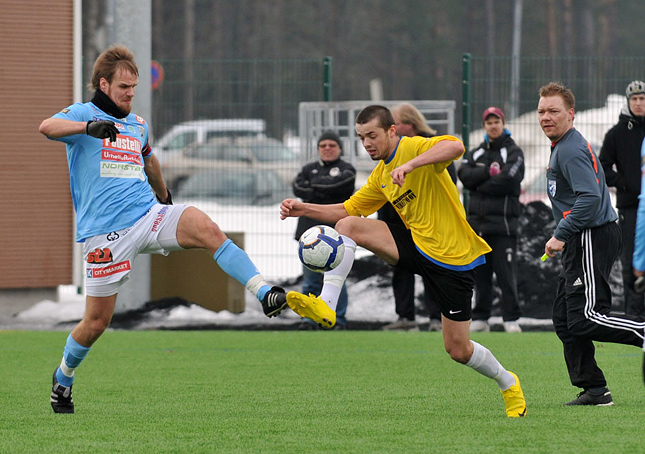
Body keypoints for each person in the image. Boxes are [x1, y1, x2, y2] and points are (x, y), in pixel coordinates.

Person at [39, 45, 289, 414]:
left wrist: (165, 196)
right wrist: (87, 128)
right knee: (95, 323)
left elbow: (148, 159)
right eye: (124, 86)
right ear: (104, 84)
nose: (130, 93)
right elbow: (47, 127)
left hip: (148, 214)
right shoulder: (83, 114)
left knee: (206, 227)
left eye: (134, 87)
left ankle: (263, 292)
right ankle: (63, 378)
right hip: (106, 234)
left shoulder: (137, 124)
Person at [281, 105, 527, 418]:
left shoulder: (412, 147)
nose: (367, 143)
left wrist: (411, 165)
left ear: (393, 131)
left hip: (452, 258)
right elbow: (347, 210)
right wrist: (304, 209)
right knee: (348, 226)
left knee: (458, 349)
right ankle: (327, 304)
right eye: (361, 137)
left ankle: (508, 382)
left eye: (373, 135)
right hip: (414, 247)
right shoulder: (381, 174)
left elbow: (456, 146)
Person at [538, 82, 645, 406]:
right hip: (583, 237)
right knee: (564, 318)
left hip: (590, 236)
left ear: (570, 114)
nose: (545, 117)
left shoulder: (569, 149)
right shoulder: (563, 145)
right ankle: (595, 389)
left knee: (585, 317)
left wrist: (561, 233)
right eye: (542, 111)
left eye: (553, 111)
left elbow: (589, 198)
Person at [380, 103, 449, 332]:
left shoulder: (431, 144)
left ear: (409, 124)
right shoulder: (389, 149)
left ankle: (435, 318)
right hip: (397, 222)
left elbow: (451, 170)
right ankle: (405, 316)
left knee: (432, 269)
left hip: (429, 224)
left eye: (396, 124)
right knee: (401, 270)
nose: (393, 129)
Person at [458, 107, 524, 333]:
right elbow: (464, 175)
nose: (493, 126)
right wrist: (488, 173)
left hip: (504, 227)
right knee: (480, 275)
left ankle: (511, 319)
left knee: (506, 275)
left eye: (496, 122)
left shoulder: (514, 152)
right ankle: (481, 318)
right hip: (477, 227)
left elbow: (509, 179)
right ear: (484, 126)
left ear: (503, 123)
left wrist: (479, 184)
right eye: (489, 123)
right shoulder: (476, 152)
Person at [292, 131, 356, 329]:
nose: (327, 148)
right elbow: (297, 187)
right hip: (309, 234)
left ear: (340, 148)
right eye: (323, 145)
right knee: (310, 280)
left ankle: (338, 319)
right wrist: (324, 189)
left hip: (337, 235)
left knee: (335, 280)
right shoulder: (307, 169)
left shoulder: (347, 169)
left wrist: (314, 191)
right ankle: (308, 320)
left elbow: (339, 186)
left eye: (332, 145)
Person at [599, 81, 645, 317]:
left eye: (642, 98)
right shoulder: (616, 133)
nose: (638, 103)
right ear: (628, 102)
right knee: (632, 264)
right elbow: (602, 166)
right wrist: (623, 183)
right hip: (631, 208)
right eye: (634, 99)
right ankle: (633, 317)